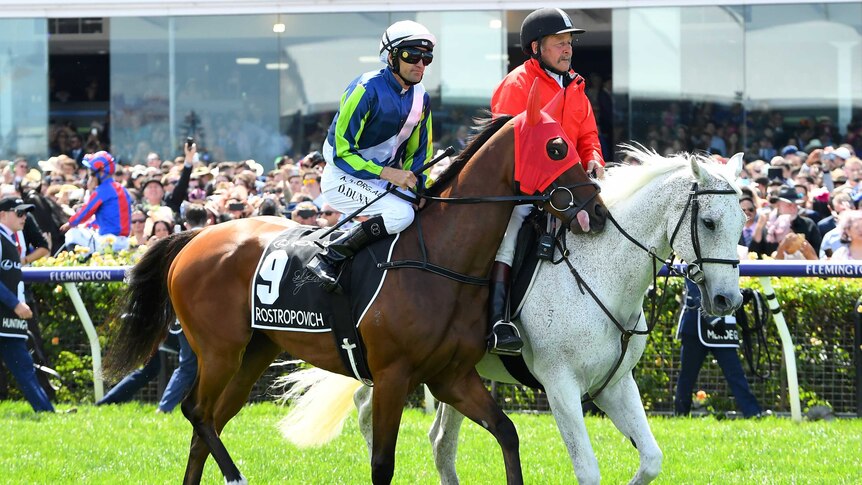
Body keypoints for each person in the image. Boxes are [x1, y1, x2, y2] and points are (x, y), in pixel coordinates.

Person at [484, 7, 606, 355]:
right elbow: (507, 147)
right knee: (511, 231)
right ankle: (498, 321)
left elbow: (587, 137)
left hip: (567, 186)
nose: (567, 50)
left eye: (569, 43)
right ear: (536, 48)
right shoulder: (517, 85)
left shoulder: (577, 86)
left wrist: (594, 158)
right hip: (524, 188)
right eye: (559, 43)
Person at [306, 20, 434, 293]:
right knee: (401, 214)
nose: (420, 63)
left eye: (427, 57)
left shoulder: (421, 97)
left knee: (432, 209)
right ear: (391, 57)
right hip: (341, 176)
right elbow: (340, 153)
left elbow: (419, 152)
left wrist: (420, 185)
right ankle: (330, 256)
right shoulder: (365, 89)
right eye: (412, 55)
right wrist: (387, 173)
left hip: (380, 178)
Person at [674, 279, 763, 418]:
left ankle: (753, 413)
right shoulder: (691, 259)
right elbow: (695, 290)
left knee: (735, 373)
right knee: (687, 376)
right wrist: (712, 319)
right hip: (695, 329)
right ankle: (680, 414)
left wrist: (740, 296)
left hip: (723, 324)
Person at [0, 197, 54, 412]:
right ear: (3, 214)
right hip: (8, 313)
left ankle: (46, 412)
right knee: (24, 367)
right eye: (19, 213)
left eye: (25, 213)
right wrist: (15, 304)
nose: (24, 218)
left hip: (8, 319)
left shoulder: (10, 239)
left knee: (24, 368)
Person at [155, 205, 206, 413]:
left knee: (188, 364)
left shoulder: (177, 244)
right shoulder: (215, 238)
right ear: (209, 220)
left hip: (185, 310)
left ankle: (165, 408)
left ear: (185, 224)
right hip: (211, 314)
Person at [60, 150, 133, 252]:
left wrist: (70, 224)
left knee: (72, 234)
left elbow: (86, 212)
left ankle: (80, 264)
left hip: (108, 241)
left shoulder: (102, 190)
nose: (90, 176)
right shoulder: (122, 189)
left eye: (92, 173)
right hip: (124, 241)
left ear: (101, 172)